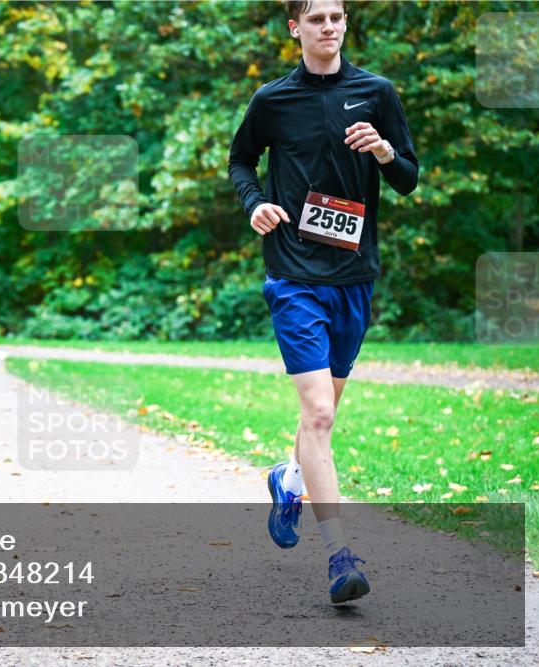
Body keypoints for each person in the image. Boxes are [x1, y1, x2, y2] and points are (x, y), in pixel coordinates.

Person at [227, 0, 418, 604]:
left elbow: (409, 176)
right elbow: (240, 160)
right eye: (316, 19)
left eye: (336, 17)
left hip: (353, 277)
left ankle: (288, 478)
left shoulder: (377, 92)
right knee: (318, 416)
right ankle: (340, 556)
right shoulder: (272, 101)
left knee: (323, 415)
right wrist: (254, 201)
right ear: (295, 29)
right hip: (293, 274)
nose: (328, 27)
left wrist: (385, 152)